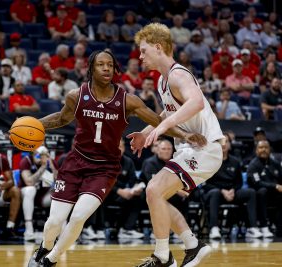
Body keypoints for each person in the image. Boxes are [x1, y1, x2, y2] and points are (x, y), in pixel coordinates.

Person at [28, 49, 206, 267]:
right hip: (75, 163)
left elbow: (159, 122)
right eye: (101, 64)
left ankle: (50, 260)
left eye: (110, 65)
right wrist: (34, 124)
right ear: (91, 68)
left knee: (77, 218)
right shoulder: (76, 95)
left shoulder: (128, 100)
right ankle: (45, 247)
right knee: (53, 223)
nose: (106, 68)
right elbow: (61, 118)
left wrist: (185, 134)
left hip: (104, 168)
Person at [130, 23, 225, 267]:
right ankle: (192, 246)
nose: (140, 56)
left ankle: (163, 256)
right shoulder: (163, 82)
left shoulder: (178, 74)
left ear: (158, 47)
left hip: (206, 148)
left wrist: (162, 129)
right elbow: (166, 113)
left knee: (153, 190)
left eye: (143, 50)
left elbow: (195, 103)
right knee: (155, 195)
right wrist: (145, 132)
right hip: (190, 148)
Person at [202, 134, 266, 239]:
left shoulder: (235, 161)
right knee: (215, 193)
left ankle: (253, 228)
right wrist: (222, 191)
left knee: (250, 192)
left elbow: (239, 182)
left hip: (232, 192)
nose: (223, 144)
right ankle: (214, 228)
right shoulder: (209, 161)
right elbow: (206, 184)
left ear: (230, 145)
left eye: (226, 141)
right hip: (215, 193)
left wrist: (233, 190)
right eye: (220, 141)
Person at [19, 146, 57, 241]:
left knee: (60, 191)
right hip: (25, 195)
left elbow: (60, 181)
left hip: (42, 197)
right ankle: (29, 230)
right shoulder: (26, 161)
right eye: (37, 154)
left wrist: (51, 165)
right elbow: (28, 182)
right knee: (30, 189)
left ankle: (59, 230)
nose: (40, 157)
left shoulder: (50, 161)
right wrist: (43, 167)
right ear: (32, 152)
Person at [247, 140, 282, 237]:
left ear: (270, 149)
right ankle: (263, 226)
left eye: (266, 147)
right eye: (261, 147)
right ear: (256, 150)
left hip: (275, 195)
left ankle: (280, 228)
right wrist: (275, 186)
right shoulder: (253, 165)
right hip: (259, 196)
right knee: (262, 191)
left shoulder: (275, 163)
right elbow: (257, 183)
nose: (264, 150)